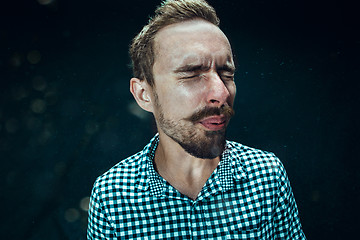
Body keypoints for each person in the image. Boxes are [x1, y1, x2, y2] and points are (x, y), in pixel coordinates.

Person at [87, 0, 306, 239]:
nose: (221, 94)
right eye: (192, 73)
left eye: (226, 73)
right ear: (143, 94)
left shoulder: (266, 176)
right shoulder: (112, 196)